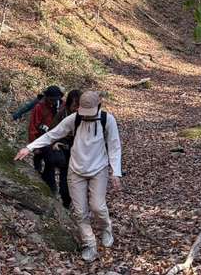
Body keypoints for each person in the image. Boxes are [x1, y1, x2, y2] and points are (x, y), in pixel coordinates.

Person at [15, 90, 122, 262]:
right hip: (76, 169)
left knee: (97, 207)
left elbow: (114, 146)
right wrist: (29, 147)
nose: (86, 116)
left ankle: (106, 228)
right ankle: (89, 244)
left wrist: (116, 172)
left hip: (99, 169)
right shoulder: (74, 119)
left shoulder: (107, 120)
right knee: (80, 212)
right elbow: (52, 134)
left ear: (99, 106)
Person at [27, 85, 64, 193]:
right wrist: (34, 146)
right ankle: (39, 181)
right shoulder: (40, 107)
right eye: (51, 99)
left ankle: (50, 186)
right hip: (40, 138)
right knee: (38, 160)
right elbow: (33, 126)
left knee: (50, 162)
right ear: (46, 97)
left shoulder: (62, 106)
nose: (53, 101)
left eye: (55, 99)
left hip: (53, 140)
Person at [49, 89, 82, 209]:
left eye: (79, 106)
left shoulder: (86, 116)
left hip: (80, 153)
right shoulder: (62, 114)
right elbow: (52, 132)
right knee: (65, 179)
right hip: (66, 151)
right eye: (75, 105)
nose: (77, 109)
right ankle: (66, 203)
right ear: (69, 104)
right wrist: (56, 143)